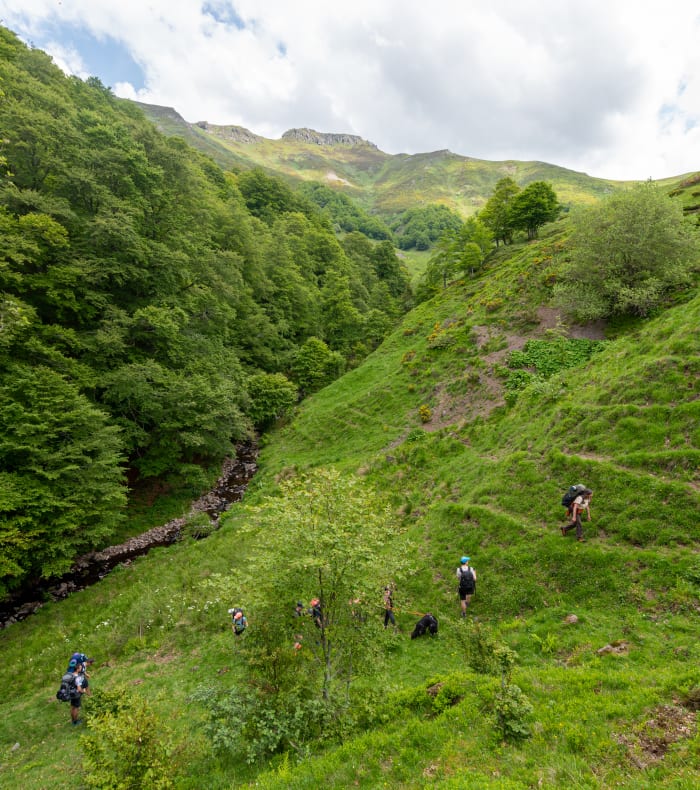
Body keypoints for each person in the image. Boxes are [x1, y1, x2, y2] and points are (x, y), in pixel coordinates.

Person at [69, 661, 89, 726]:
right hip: (76, 694)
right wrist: (84, 691)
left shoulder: (71, 674)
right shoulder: (77, 677)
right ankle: (75, 722)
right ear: (77, 669)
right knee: (76, 708)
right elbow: (79, 689)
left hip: (71, 693)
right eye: (80, 668)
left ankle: (73, 720)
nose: (81, 669)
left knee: (72, 707)